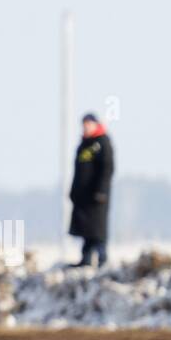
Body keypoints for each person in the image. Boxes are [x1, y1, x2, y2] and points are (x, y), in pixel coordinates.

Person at [69, 112, 114, 267]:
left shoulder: (102, 143)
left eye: (88, 124)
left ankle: (102, 259)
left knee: (98, 231)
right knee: (86, 231)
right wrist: (73, 191)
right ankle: (86, 259)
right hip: (83, 196)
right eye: (84, 125)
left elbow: (107, 168)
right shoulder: (84, 144)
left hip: (97, 197)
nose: (85, 128)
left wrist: (101, 191)